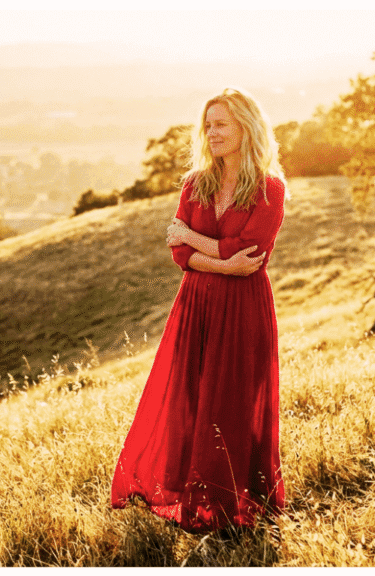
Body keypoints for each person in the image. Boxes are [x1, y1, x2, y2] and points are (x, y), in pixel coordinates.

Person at [110, 87, 287, 534]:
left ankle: (234, 506)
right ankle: (187, 497)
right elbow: (178, 253)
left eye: (221, 124)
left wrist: (204, 245)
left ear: (246, 127)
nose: (212, 133)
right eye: (208, 125)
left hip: (244, 308)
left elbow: (251, 254)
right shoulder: (195, 183)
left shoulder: (270, 188)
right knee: (189, 401)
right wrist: (222, 260)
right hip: (195, 304)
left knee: (233, 403)